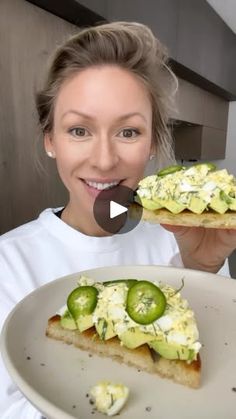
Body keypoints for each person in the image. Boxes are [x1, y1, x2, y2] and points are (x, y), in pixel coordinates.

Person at [0, 21, 236, 418]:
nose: (106, 160)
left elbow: (219, 380)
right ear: (50, 139)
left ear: (153, 142)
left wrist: (202, 269)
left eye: (128, 132)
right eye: (79, 130)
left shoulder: (176, 239)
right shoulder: (8, 265)